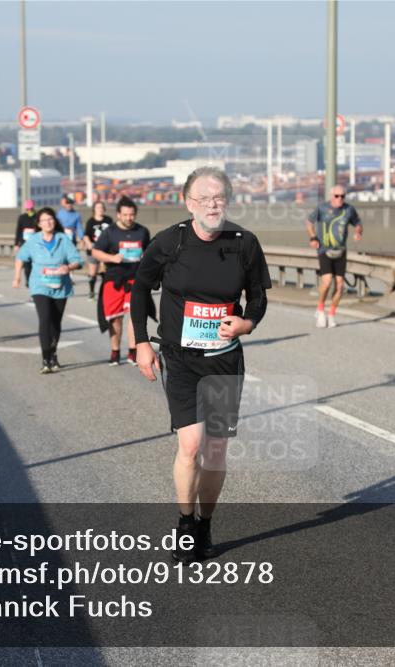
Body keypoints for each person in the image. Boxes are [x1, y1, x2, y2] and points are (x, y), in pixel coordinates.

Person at [130, 167, 271, 563]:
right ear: (188, 202)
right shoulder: (169, 242)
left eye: (219, 197)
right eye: (204, 198)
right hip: (180, 358)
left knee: (216, 448)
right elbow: (140, 288)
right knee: (190, 446)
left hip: (223, 360)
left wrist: (247, 323)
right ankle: (185, 521)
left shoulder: (244, 243)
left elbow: (258, 296)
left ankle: (205, 522)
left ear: (228, 199)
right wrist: (141, 342)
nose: (213, 204)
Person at [12, 207, 82, 373]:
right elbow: (20, 258)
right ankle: (45, 358)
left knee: (55, 322)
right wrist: (17, 278)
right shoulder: (33, 240)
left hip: (60, 285)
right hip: (40, 285)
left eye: (50, 219)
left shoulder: (63, 239)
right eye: (44, 220)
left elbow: (77, 260)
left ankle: (53, 352)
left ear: (54, 221)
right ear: (39, 223)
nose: (48, 222)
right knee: (44, 319)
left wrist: (68, 267)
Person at [90, 196, 151, 366]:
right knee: (116, 318)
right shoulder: (109, 232)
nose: (128, 218)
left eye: (131, 215)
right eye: (125, 215)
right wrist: (112, 258)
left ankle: (133, 351)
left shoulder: (142, 232)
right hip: (114, 279)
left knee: (135, 315)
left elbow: (149, 252)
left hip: (136, 280)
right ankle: (115, 351)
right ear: (118, 215)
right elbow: (95, 252)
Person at [304, 184, 363, 328]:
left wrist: (358, 231)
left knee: (340, 285)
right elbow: (309, 222)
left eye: (343, 196)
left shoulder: (348, 210)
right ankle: (320, 309)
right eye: (337, 196)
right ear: (331, 196)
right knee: (327, 281)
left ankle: (331, 314)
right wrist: (313, 237)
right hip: (324, 250)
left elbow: (357, 222)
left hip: (340, 251)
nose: (340, 199)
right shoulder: (322, 209)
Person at [83, 200, 113, 300]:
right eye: (97, 208)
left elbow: (114, 232)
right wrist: (89, 244)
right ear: (94, 210)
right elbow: (86, 235)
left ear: (104, 209)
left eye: (101, 208)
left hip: (106, 249)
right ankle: (91, 291)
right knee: (93, 273)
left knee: (106, 272)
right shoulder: (90, 221)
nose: (100, 210)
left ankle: (105, 292)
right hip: (94, 249)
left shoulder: (109, 220)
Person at [14, 200, 37, 289]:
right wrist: (16, 244)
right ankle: (28, 280)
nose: (29, 211)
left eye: (30, 209)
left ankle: (34, 279)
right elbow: (18, 231)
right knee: (27, 264)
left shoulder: (37, 217)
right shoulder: (22, 217)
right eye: (27, 209)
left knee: (34, 263)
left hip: (35, 244)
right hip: (25, 243)